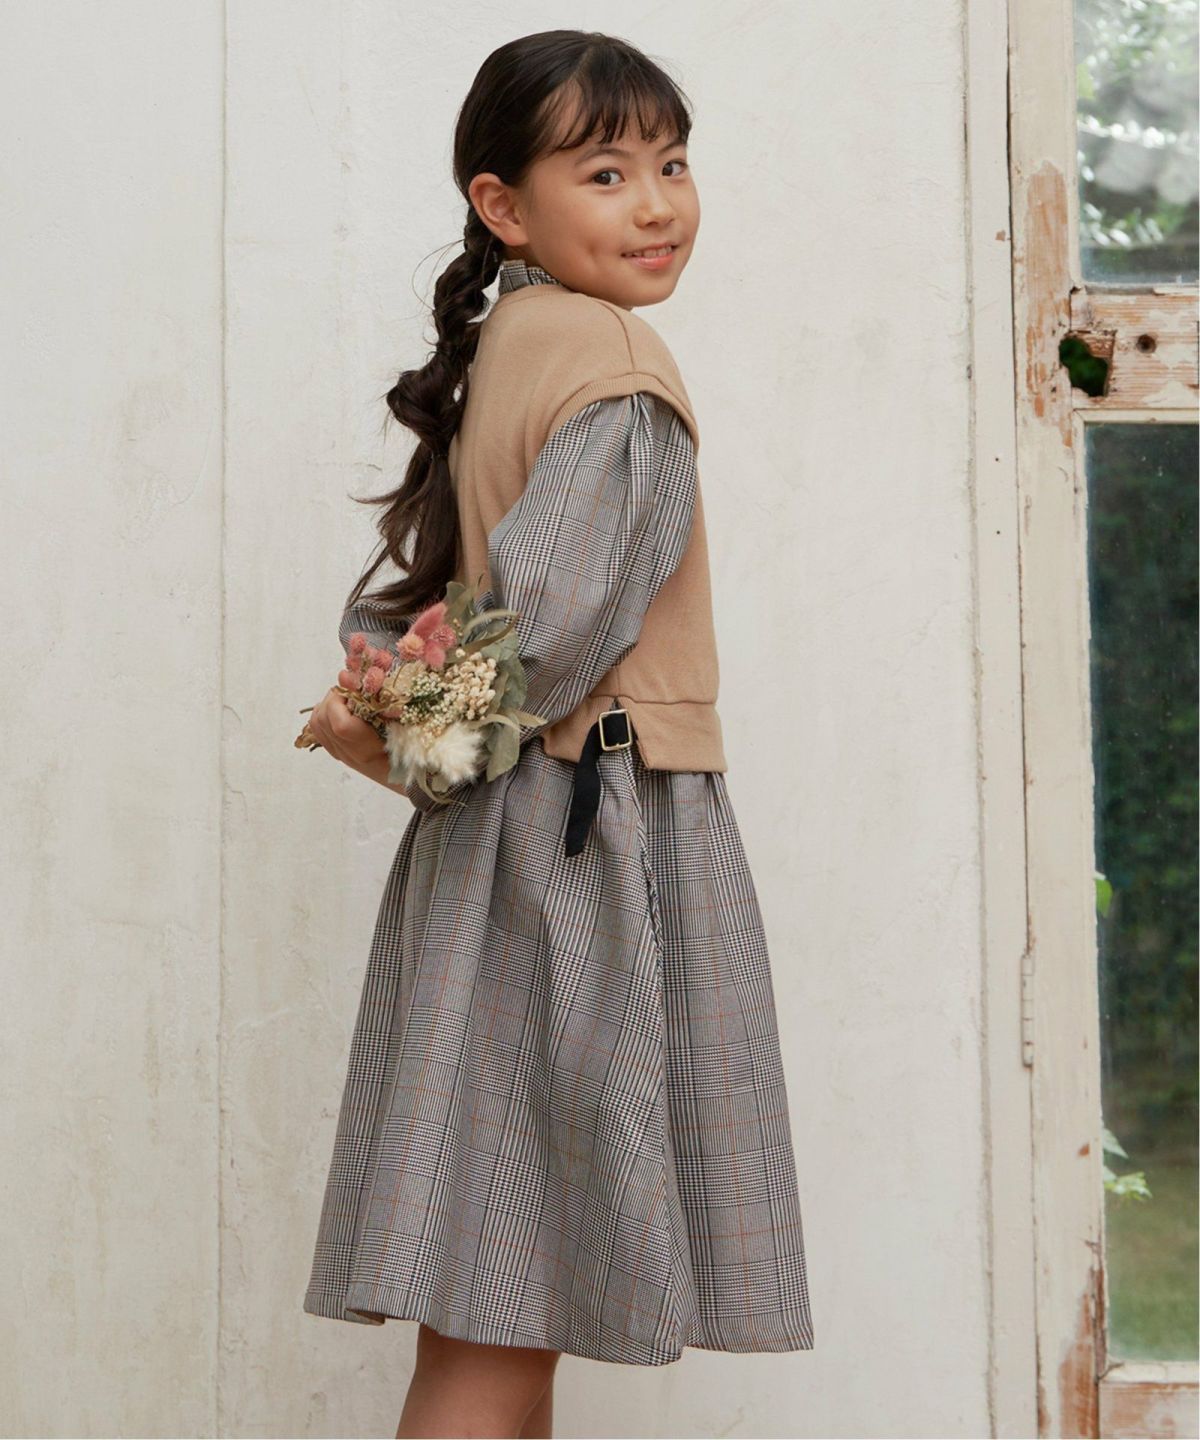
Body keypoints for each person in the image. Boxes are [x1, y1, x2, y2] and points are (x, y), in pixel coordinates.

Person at [302, 28, 814, 1439]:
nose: (657, 204)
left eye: (674, 165)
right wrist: (408, 728)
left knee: (500, 1297)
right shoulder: (612, 358)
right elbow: (541, 634)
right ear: (503, 204)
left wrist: (389, 717)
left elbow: (483, 624)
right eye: (606, 172)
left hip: (506, 849)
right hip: (584, 851)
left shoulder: (516, 342)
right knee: (500, 1322)